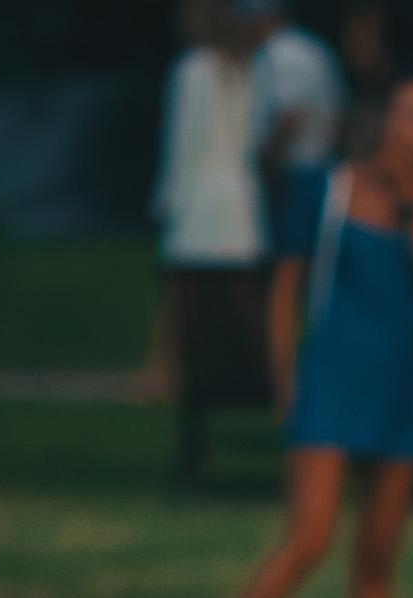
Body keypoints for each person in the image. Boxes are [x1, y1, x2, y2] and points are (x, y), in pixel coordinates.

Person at [184, 73, 413, 598]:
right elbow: (287, 283)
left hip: (407, 382)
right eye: (406, 113)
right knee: (309, 537)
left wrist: (412, 205)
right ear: (381, 119)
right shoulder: (327, 187)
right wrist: (285, 374)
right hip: (334, 376)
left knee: (378, 550)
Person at [143, 0, 266, 407]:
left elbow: (185, 143)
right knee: (242, 297)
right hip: (240, 203)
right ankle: (263, 370)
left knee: (183, 295)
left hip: (202, 203)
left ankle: (165, 372)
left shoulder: (194, 69)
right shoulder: (242, 68)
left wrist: (168, 199)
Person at [242, 0, 344, 179]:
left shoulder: (280, 51)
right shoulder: (314, 46)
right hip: (324, 162)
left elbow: (289, 116)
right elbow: (339, 115)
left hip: (298, 170)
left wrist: (264, 164)